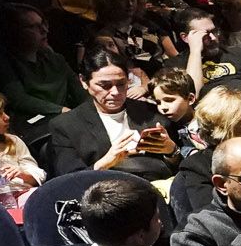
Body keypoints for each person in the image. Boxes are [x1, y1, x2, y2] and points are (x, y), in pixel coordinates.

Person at [38, 44, 180, 181]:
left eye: (121, 84)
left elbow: (178, 164)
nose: (115, 92)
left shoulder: (149, 111)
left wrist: (171, 151)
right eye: (104, 86)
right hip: (106, 190)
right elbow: (70, 180)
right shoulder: (66, 125)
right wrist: (107, 161)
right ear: (84, 82)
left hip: (159, 182)